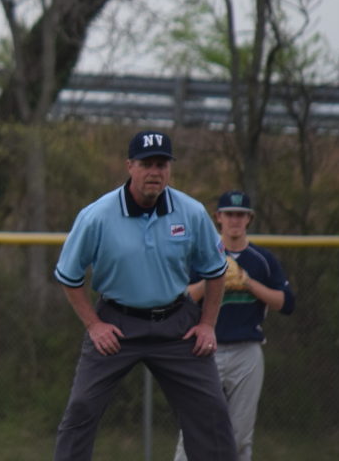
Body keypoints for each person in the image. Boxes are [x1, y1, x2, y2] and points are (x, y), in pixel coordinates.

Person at [52, 130, 237, 461]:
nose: (156, 172)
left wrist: (208, 324)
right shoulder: (97, 215)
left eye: (162, 164)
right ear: (130, 166)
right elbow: (69, 276)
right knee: (81, 407)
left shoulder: (191, 213)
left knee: (211, 410)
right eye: (147, 164)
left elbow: (216, 271)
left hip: (177, 324)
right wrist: (94, 326)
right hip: (116, 324)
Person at [174, 191, 296, 461]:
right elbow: (178, 301)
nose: (235, 220)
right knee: (193, 429)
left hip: (247, 351)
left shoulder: (261, 259)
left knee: (240, 436)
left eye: (241, 215)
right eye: (229, 214)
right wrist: (213, 281)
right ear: (218, 218)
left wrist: (248, 282)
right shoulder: (201, 256)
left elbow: (286, 304)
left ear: (249, 219)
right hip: (203, 351)